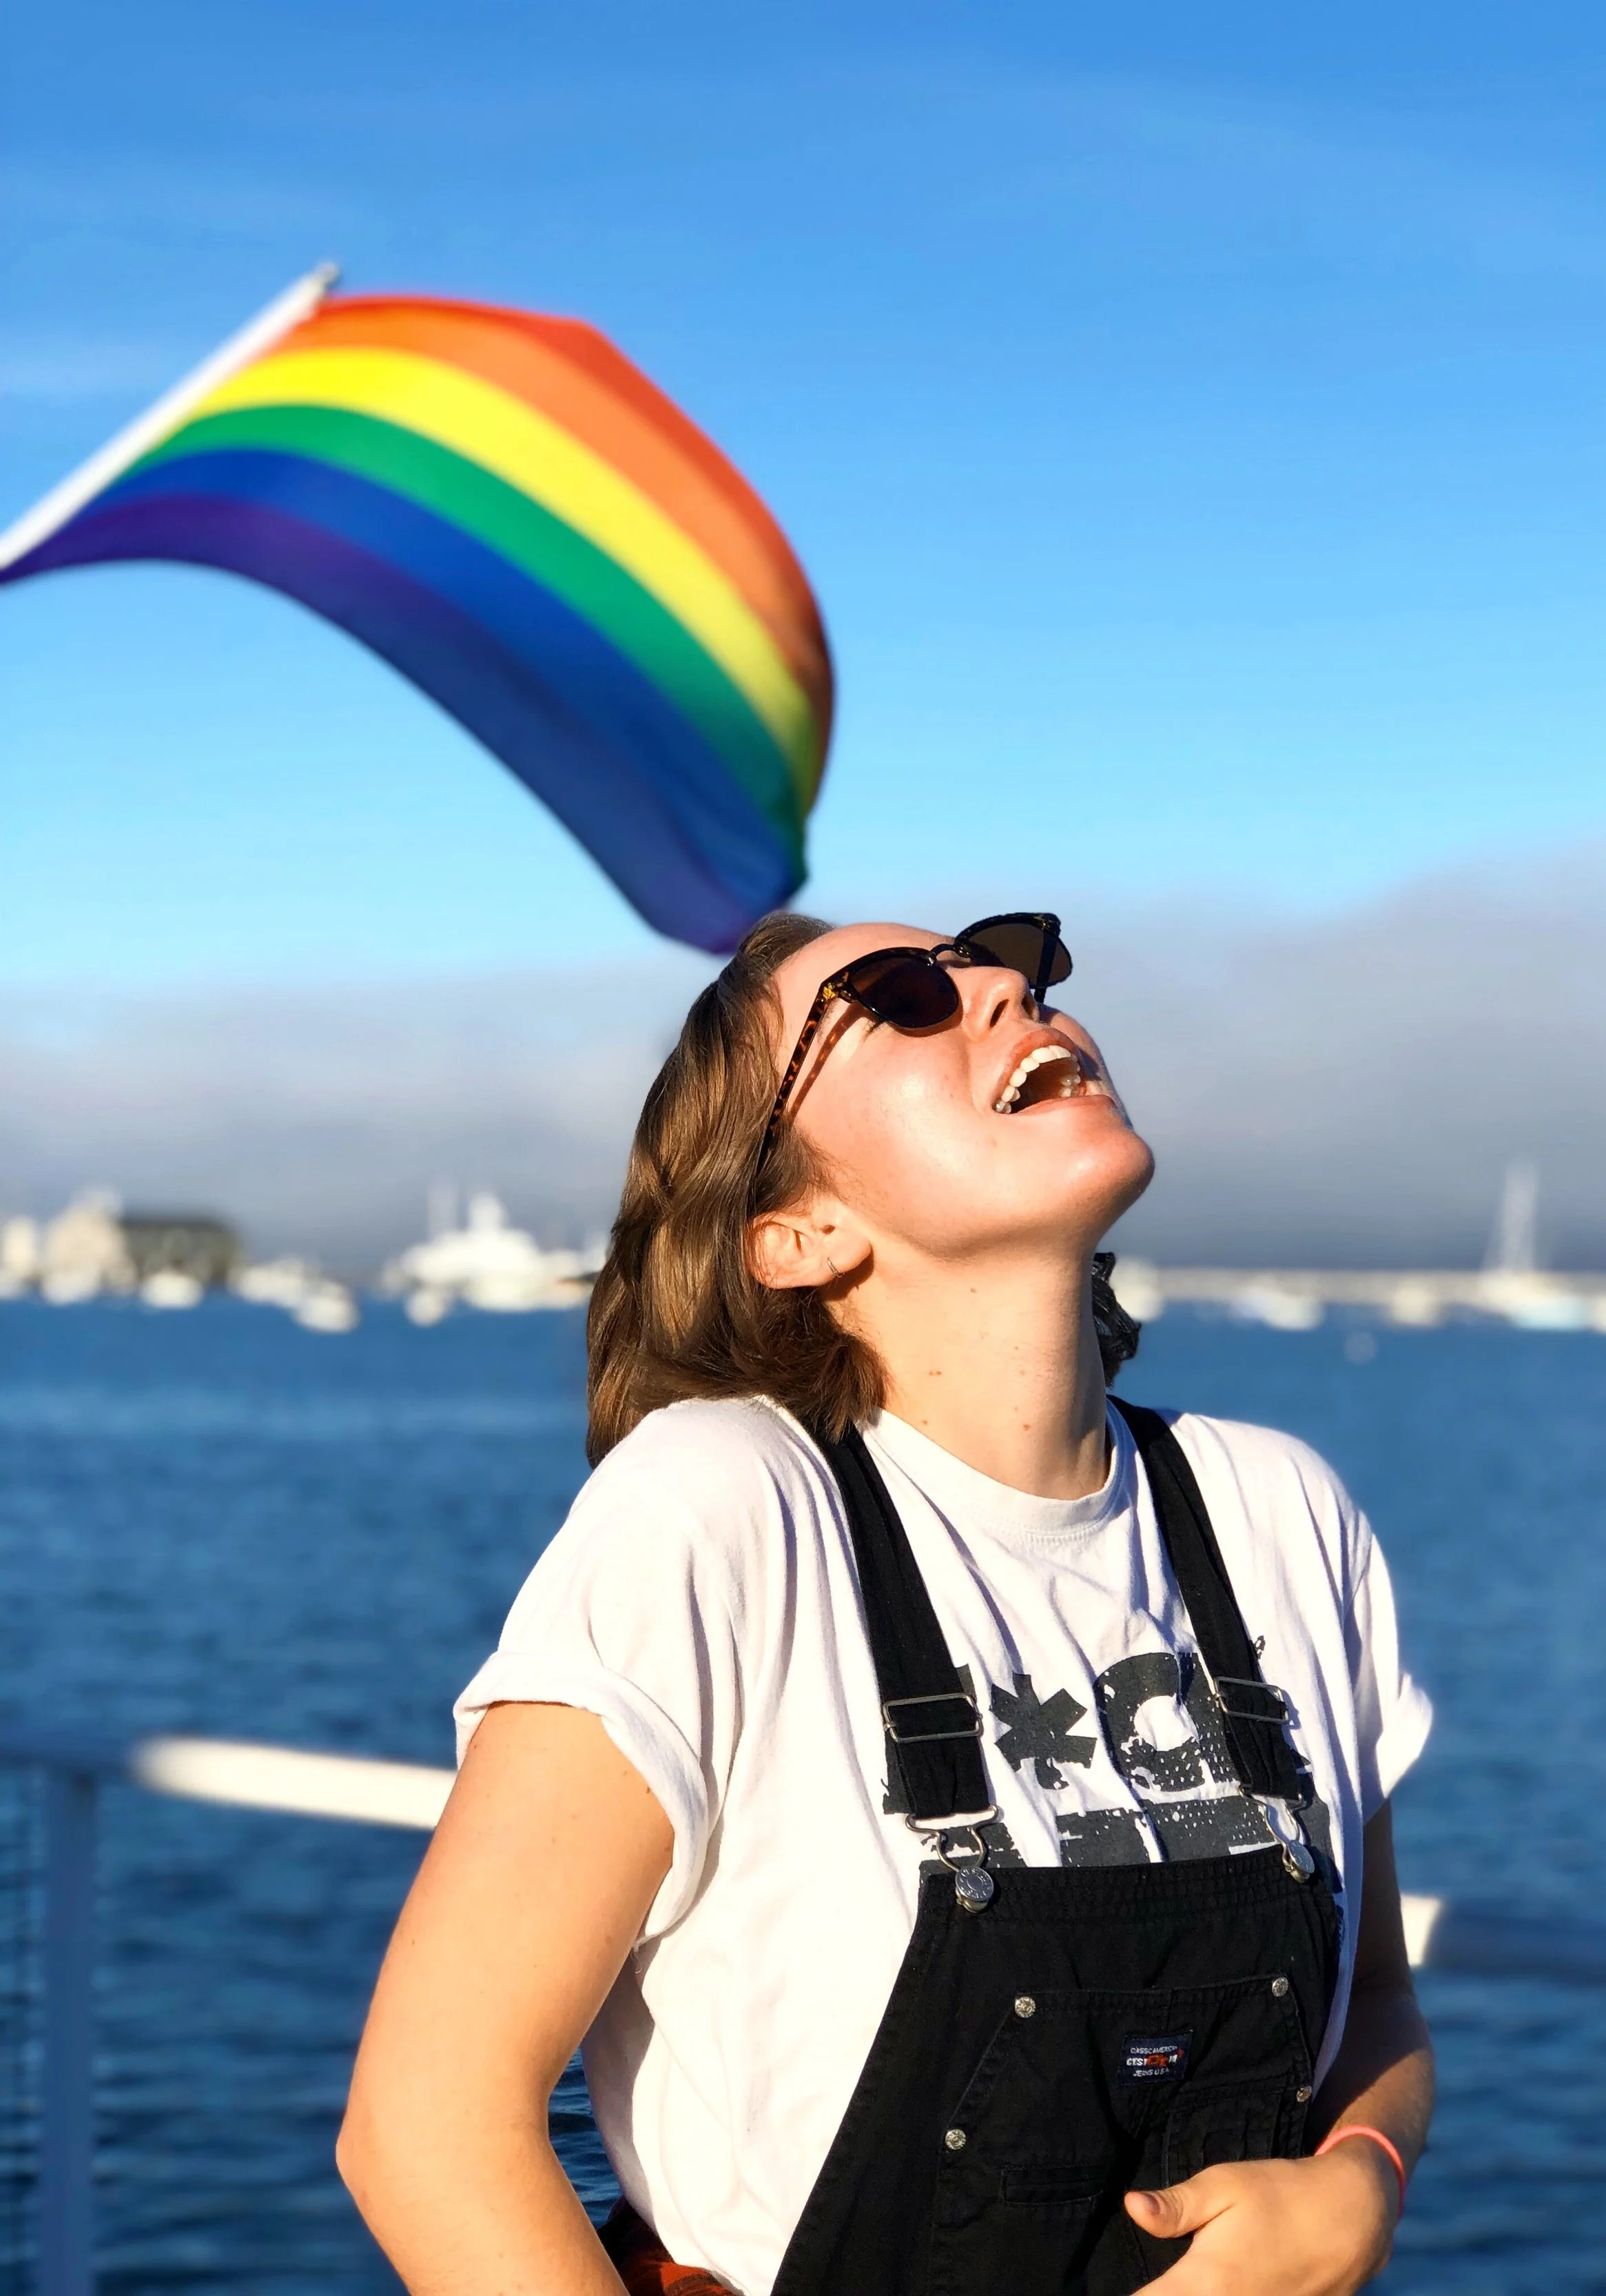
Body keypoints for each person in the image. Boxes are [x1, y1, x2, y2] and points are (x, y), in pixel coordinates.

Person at [338, 909, 1434, 2295]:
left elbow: (1376, 2003)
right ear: (797, 1230)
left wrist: (1362, 2181)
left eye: (1006, 964)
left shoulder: (1275, 1513)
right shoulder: (723, 1507)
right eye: (903, 993)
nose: (998, 986)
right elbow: (428, 2125)